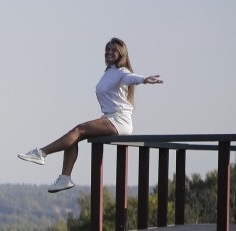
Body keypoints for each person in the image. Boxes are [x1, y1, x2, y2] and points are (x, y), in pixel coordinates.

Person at [18, 37, 163, 192]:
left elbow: (130, 78)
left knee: (79, 129)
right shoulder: (109, 72)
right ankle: (65, 178)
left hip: (119, 120)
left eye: (114, 50)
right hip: (109, 118)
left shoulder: (122, 72)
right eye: (107, 49)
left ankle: (41, 153)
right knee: (74, 137)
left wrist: (145, 80)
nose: (109, 52)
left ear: (121, 54)